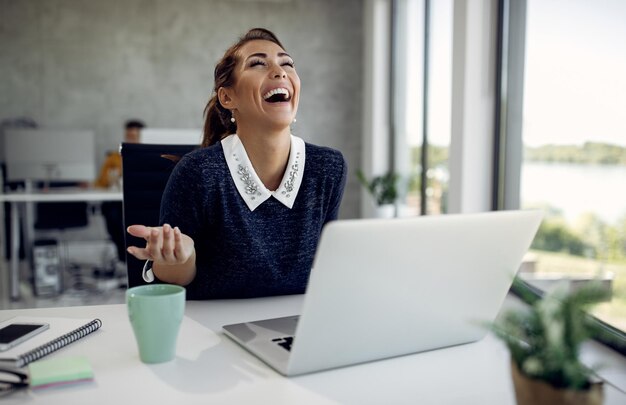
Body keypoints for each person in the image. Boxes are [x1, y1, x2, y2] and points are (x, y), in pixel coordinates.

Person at [126, 28, 347, 299]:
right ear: (228, 98)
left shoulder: (328, 167)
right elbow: (174, 281)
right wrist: (177, 259)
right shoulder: (197, 173)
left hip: (296, 328)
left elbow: (323, 265)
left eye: (287, 63)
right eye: (257, 63)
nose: (280, 72)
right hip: (212, 329)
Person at [95, 120, 145, 268]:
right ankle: (123, 258)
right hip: (117, 200)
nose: (132, 139)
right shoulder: (114, 157)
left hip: (140, 200)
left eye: (135, 136)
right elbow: (102, 182)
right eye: (129, 136)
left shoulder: (148, 155)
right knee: (113, 214)